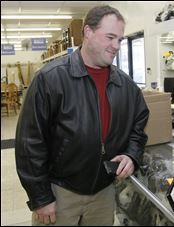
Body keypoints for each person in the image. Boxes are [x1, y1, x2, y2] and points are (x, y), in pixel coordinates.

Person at [15, 5, 149, 226]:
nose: (116, 46)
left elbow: (138, 126)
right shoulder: (50, 79)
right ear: (87, 32)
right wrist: (40, 197)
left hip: (104, 192)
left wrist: (132, 155)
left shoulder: (126, 86)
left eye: (120, 39)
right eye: (110, 37)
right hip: (60, 192)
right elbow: (30, 142)